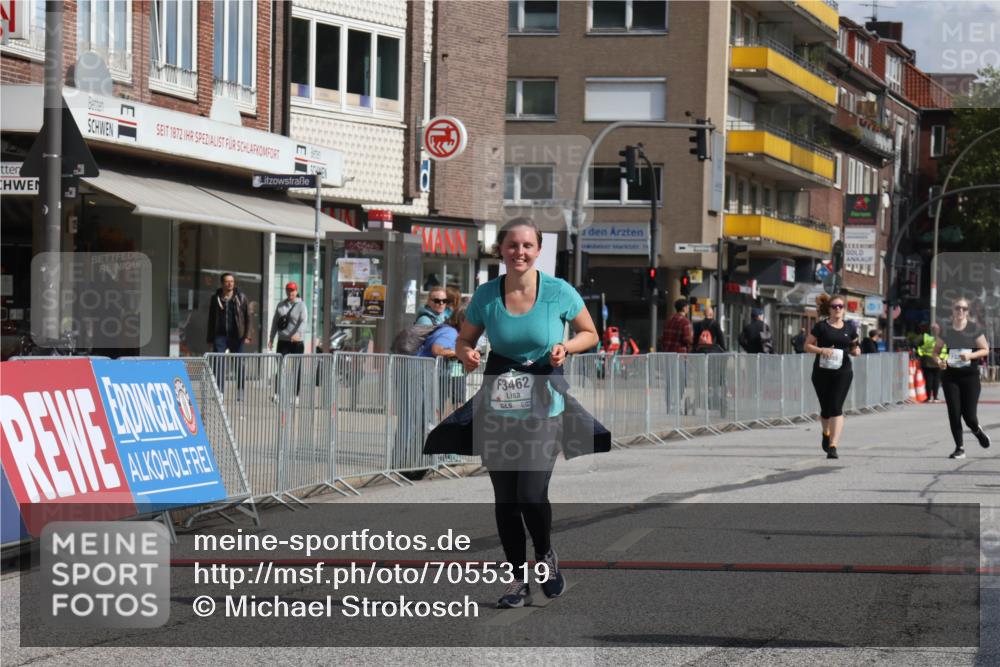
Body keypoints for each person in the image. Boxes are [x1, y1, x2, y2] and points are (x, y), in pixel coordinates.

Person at [423, 217, 607, 609]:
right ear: (501, 250)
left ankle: (545, 557)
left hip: (543, 407)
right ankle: (516, 581)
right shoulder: (487, 295)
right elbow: (463, 339)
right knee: (506, 499)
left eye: (527, 246)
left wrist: (567, 348)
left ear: (538, 250)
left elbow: (591, 333)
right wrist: (466, 354)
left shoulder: (559, 292)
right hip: (499, 407)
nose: (519, 252)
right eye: (512, 245)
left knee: (530, 493)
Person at [804, 294, 860, 459]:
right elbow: (806, 345)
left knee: (836, 407)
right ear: (829, 309)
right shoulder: (821, 327)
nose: (837, 309)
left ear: (844, 309)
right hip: (821, 372)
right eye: (834, 306)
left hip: (843, 372)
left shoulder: (850, 328)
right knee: (826, 409)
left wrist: (856, 351)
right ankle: (826, 432)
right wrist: (822, 350)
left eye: (840, 306)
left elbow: (855, 346)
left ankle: (833, 446)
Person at [934, 298, 991, 459]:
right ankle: (959, 448)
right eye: (958, 308)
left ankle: (977, 431)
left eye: (964, 309)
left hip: (970, 377)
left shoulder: (974, 329)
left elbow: (985, 349)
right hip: (950, 377)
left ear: (967, 312)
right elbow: (935, 352)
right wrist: (939, 361)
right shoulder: (946, 330)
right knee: (954, 413)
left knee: (970, 417)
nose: (960, 311)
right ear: (952, 310)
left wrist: (970, 355)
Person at [206, 273, 252, 397]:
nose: (230, 283)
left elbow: (248, 317)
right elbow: (211, 319)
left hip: (237, 336)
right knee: (218, 363)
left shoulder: (241, 297)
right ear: (222, 283)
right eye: (227, 281)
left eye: (232, 281)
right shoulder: (215, 298)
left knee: (239, 364)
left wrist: (247, 335)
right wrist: (210, 338)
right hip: (220, 336)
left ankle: (240, 391)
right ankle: (219, 391)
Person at [419, 305, 468, 410]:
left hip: (435, 373)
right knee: (435, 408)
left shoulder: (452, 331)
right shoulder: (450, 332)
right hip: (427, 373)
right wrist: (458, 353)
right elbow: (436, 350)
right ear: (462, 320)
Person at [269, 282, 308, 401]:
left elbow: (304, 322)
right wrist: (271, 338)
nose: (290, 292)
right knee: (281, 367)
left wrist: (298, 334)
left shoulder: (301, 305)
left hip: (297, 342)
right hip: (283, 340)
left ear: (296, 291)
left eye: (292, 290)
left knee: (296, 368)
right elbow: (275, 322)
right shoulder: (281, 305)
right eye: (288, 290)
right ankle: (277, 393)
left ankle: (295, 395)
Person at [918, 322, 947, 403]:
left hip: (927, 362)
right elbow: (944, 351)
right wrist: (942, 360)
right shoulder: (941, 340)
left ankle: (929, 397)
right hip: (937, 362)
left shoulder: (925, 338)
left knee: (929, 380)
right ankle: (935, 397)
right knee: (936, 381)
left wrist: (921, 356)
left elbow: (919, 348)